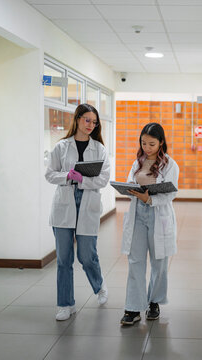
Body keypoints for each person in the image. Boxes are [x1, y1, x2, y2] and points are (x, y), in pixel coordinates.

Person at [45, 103, 110, 321]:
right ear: (78, 119)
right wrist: (67, 177)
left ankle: (99, 285)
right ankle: (65, 304)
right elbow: (49, 174)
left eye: (94, 121)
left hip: (88, 204)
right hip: (64, 206)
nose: (91, 125)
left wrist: (83, 179)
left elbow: (103, 179)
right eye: (87, 120)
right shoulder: (61, 147)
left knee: (86, 256)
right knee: (64, 259)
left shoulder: (100, 149)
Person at [120, 122, 179, 326]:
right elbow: (130, 181)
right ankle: (133, 307)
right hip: (138, 213)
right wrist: (130, 190)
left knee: (159, 262)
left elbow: (171, 193)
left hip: (158, 214)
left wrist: (150, 199)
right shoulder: (138, 162)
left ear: (161, 142)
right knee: (135, 260)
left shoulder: (170, 164)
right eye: (144, 143)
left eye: (152, 144)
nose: (147, 148)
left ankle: (154, 301)